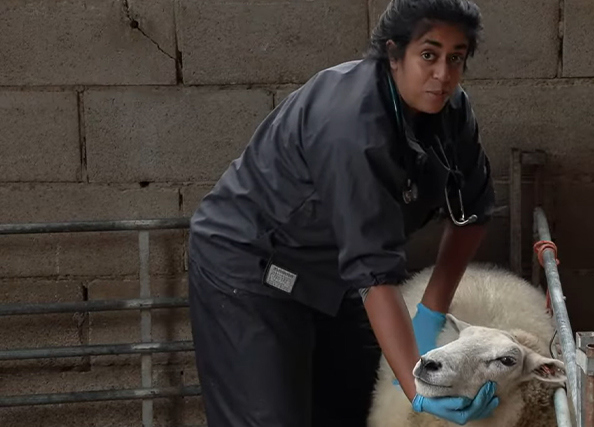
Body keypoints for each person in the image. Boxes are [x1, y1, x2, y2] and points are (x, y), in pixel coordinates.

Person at [186, 0, 499, 425]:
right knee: (270, 416)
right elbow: (374, 274)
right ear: (394, 53)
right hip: (253, 267)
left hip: (334, 269)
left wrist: (430, 314)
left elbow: (473, 211)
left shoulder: (451, 111)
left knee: (354, 403)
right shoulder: (351, 124)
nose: (443, 75)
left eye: (455, 58)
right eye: (429, 55)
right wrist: (418, 388)